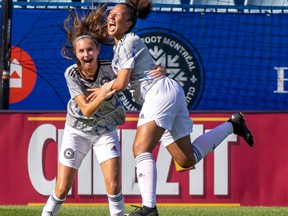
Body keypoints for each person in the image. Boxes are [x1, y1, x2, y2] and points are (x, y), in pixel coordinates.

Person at [103, 1, 255, 215]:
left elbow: (121, 84)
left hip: (160, 93)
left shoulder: (128, 41)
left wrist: (98, 95)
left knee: (140, 148)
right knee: (186, 159)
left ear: (128, 24)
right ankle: (233, 125)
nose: (111, 16)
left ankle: (149, 209)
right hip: (168, 92)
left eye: (117, 15)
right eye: (110, 13)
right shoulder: (120, 46)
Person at [41, 6, 165, 216]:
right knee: (61, 189)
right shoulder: (71, 74)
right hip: (77, 131)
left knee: (114, 185)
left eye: (90, 49)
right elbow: (87, 110)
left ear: (98, 50)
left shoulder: (112, 68)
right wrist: (105, 91)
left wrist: (160, 70)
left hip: (105, 130)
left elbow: (139, 72)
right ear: (76, 54)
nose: (86, 54)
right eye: (81, 51)